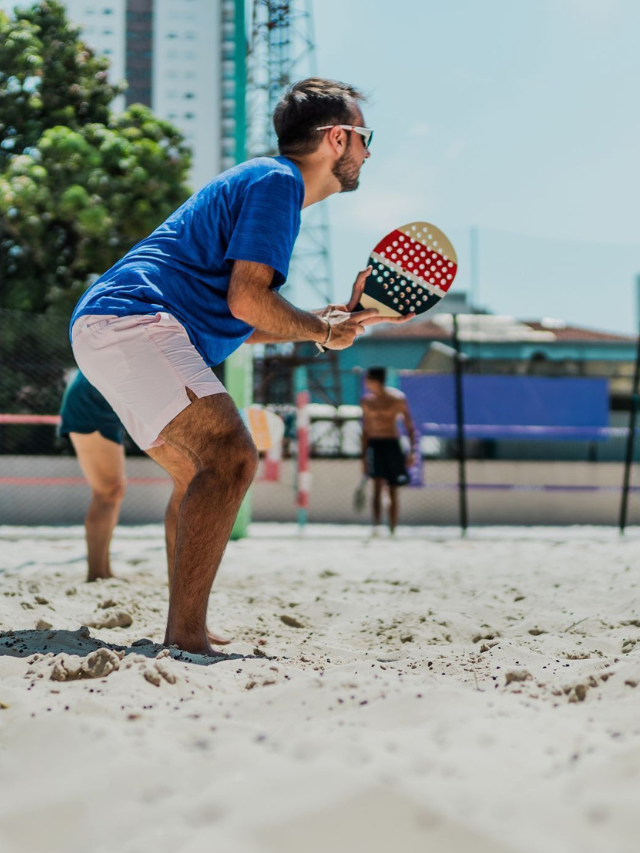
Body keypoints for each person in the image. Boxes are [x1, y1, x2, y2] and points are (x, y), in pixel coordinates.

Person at [69, 77, 413, 655]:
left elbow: (241, 319)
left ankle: (186, 628)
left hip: (111, 324)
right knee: (230, 456)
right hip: (132, 320)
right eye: (364, 137)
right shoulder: (280, 182)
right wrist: (322, 330)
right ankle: (184, 634)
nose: (369, 151)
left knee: (200, 473)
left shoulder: (265, 183)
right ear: (337, 138)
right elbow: (248, 299)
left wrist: (330, 324)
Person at [59, 370, 229, 645]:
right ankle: (100, 575)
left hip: (118, 390)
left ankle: (182, 614)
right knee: (178, 479)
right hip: (97, 395)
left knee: (184, 478)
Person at [360, 366, 416, 535]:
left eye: (368, 379)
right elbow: (365, 430)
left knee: (392, 487)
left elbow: (409, 426)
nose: (365, 383)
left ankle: (393, 528)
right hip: (375, 444)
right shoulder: (367, 401)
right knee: (376, 485)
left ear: (376, 381)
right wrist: (363, 457)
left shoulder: (397, 399)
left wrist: (412, 451)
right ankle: (376, 526)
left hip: (392, 443)